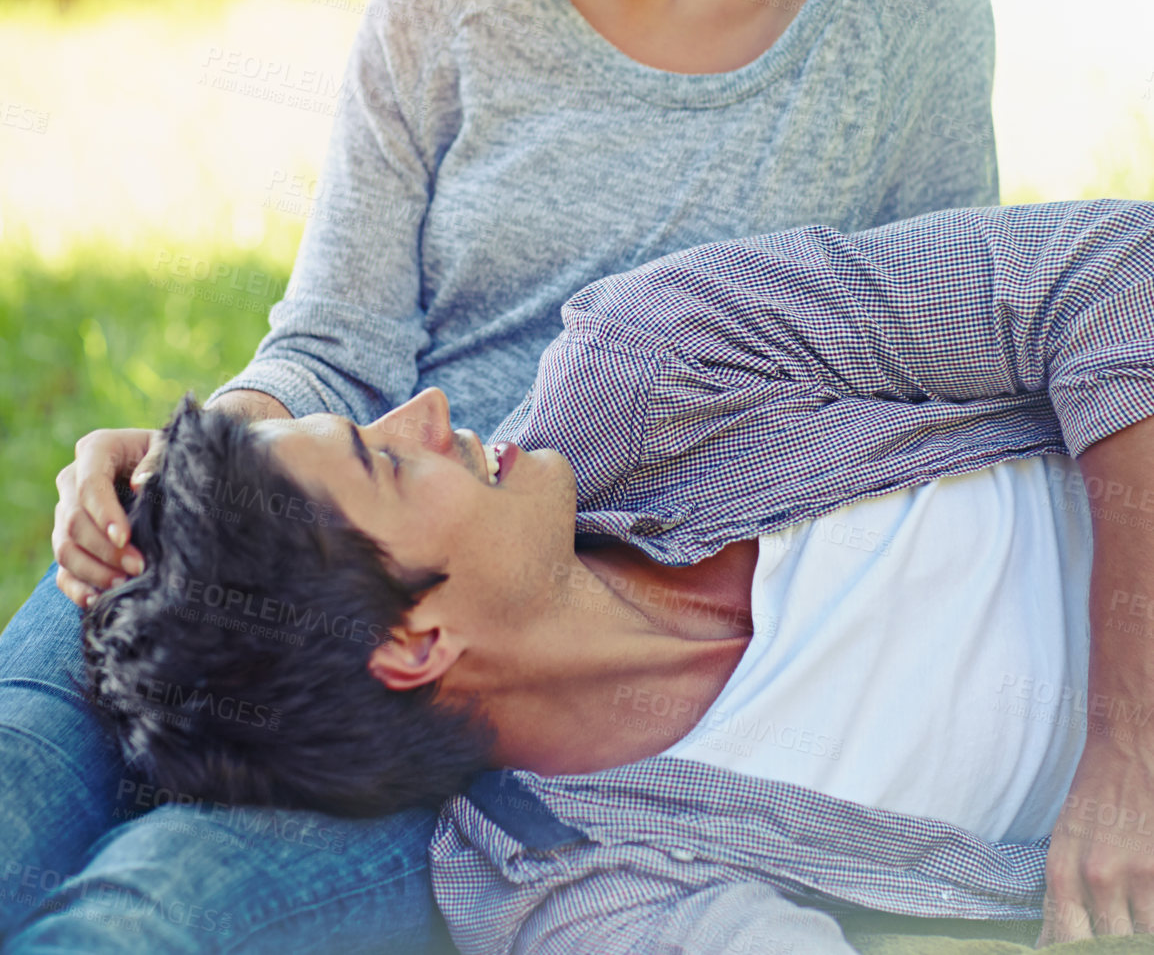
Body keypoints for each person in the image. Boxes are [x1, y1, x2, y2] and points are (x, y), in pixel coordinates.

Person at [1, 0, 999, 953]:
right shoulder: (435, 22)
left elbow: (934, 348)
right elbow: (333, 347)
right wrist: (203, 450)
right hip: (309, 528)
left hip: (504, 645)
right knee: (20, 759)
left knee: (168, 901)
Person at [79, 198, 1154, 952]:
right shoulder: (573, 878)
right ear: (411, 642)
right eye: (387, 457)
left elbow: (1112, 275)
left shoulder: (657, 357)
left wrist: (1125, 740)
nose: (433, 411)